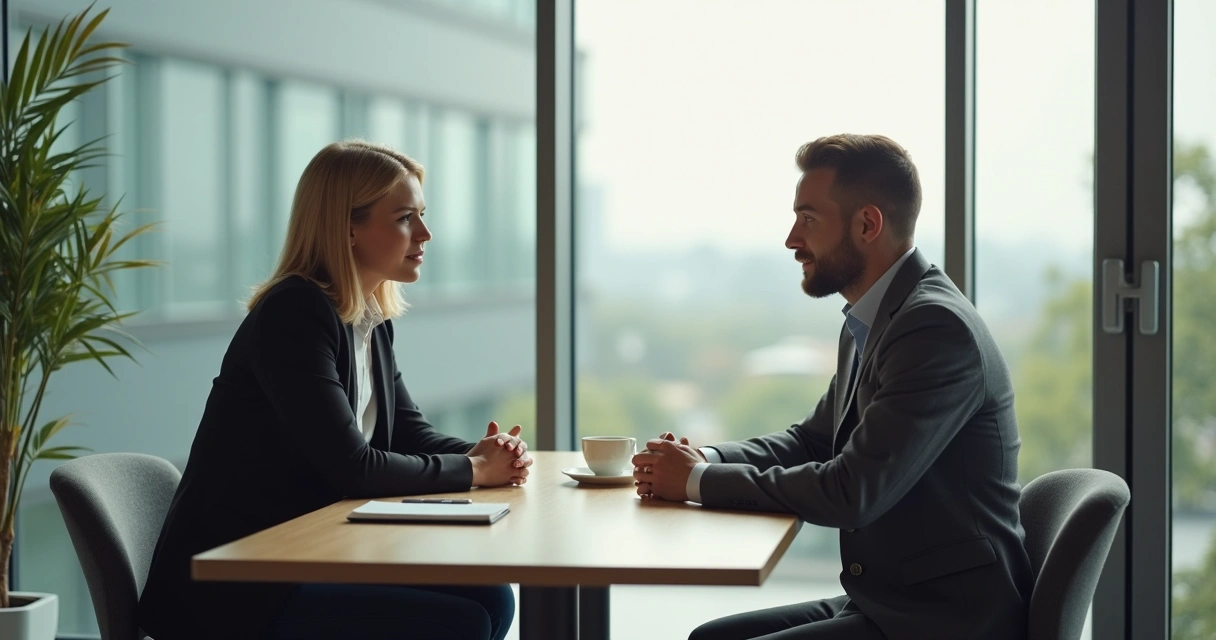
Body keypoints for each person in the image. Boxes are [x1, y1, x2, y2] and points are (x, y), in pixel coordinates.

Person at [631, 134, 1034, 640]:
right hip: (889, 599)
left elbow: (852, 491)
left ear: (867, 224)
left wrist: (693, 484)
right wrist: (705, 458)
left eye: (808, 219)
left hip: (946, 619)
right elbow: (812, 441)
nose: (792, 239)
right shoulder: (873, 319)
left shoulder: (933, 328)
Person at [138, 140, 531, 640]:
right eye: (406, 218)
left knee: (491, 596)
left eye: (422, 216)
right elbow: (354, 465)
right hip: (238, 585)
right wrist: (476, 470)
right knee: (462, 620)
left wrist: (488, 454)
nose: (426, 234)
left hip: (306, 557)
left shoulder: (368, 319)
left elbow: (408, 435)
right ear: (348, 226)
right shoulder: (294, 314)